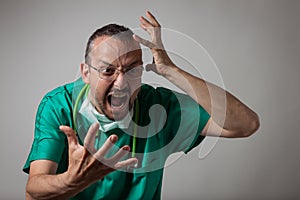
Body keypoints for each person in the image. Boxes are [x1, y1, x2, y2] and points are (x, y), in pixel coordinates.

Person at [23, 11, 259, 200]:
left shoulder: (158, 107)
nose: (122, 82)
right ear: (86, 72)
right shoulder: (59, 106)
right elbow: (34, 192)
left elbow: (245, 125)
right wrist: (72, 181)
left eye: (133, 70)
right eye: (108, 71)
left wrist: (171, 70)